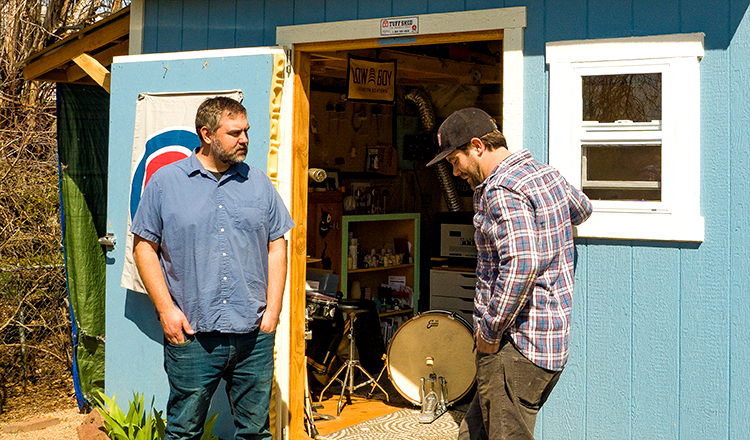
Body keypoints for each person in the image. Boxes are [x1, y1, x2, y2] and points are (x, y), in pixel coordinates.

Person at [130, 96, 295, 440]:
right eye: (234, 133)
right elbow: (144, 248)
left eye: (246, 131)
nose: (245, 139)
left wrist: (273, 310)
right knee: (183, 432)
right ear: (207, 134)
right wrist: (166, 311)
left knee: (255, 432)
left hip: (253, 335)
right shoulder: (165, 183)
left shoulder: (259, 183)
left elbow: (277, 244)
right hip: (192, 336)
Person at [427, 108, 592, 440]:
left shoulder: (501, 189)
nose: (455, 171)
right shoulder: (545, 175)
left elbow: (523, 263)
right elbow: (583, 208)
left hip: (515, 347)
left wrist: (489, 331)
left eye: (454, 160)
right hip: (548, 339)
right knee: (473, 434)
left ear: (477, 146)